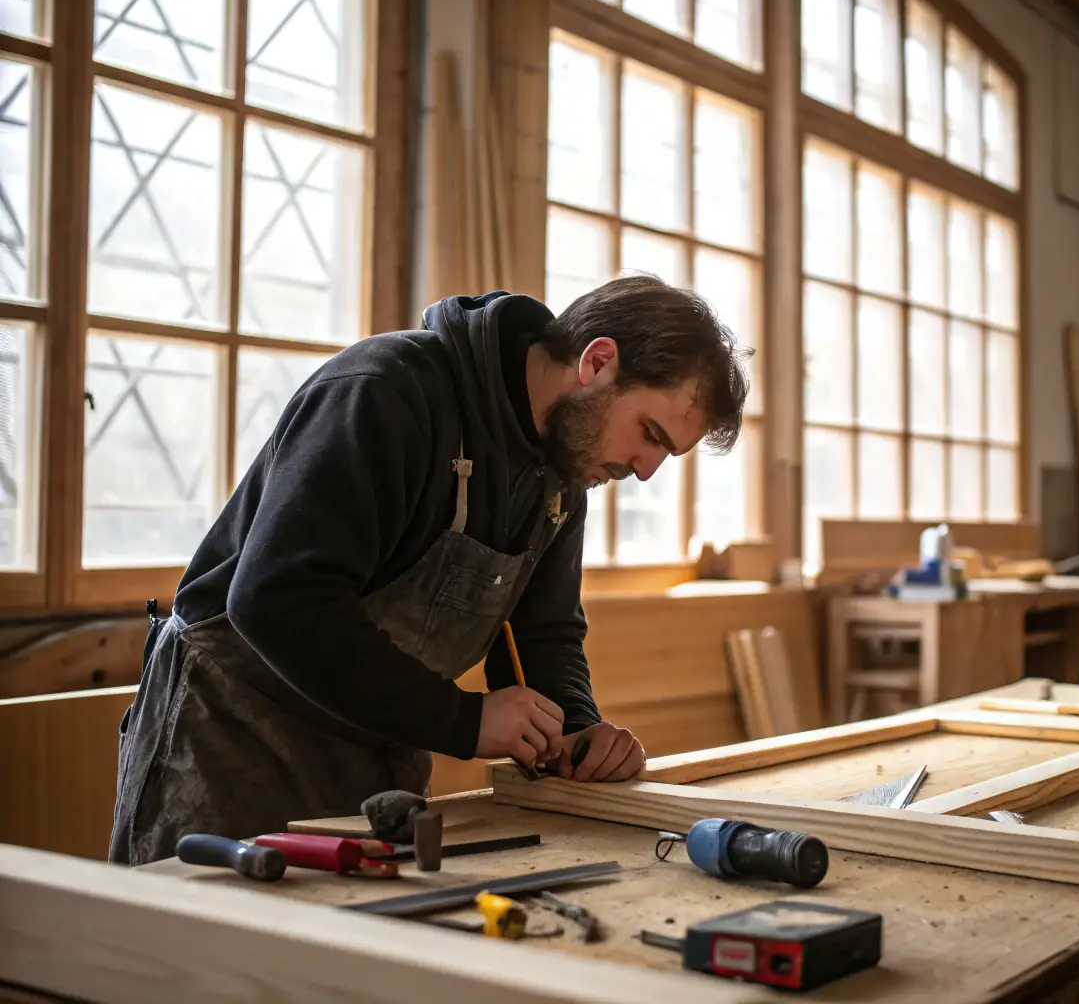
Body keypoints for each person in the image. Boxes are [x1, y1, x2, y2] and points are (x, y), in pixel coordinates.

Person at [110, 276, 750, 865]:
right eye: (650, 434)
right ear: (598, 362)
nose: (645, 470)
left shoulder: (563, 465)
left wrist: (577, 734)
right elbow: (279, 598)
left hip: (377, 750)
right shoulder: (385, 392)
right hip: (234, 740)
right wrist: (462, 721)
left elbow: (543, 632)